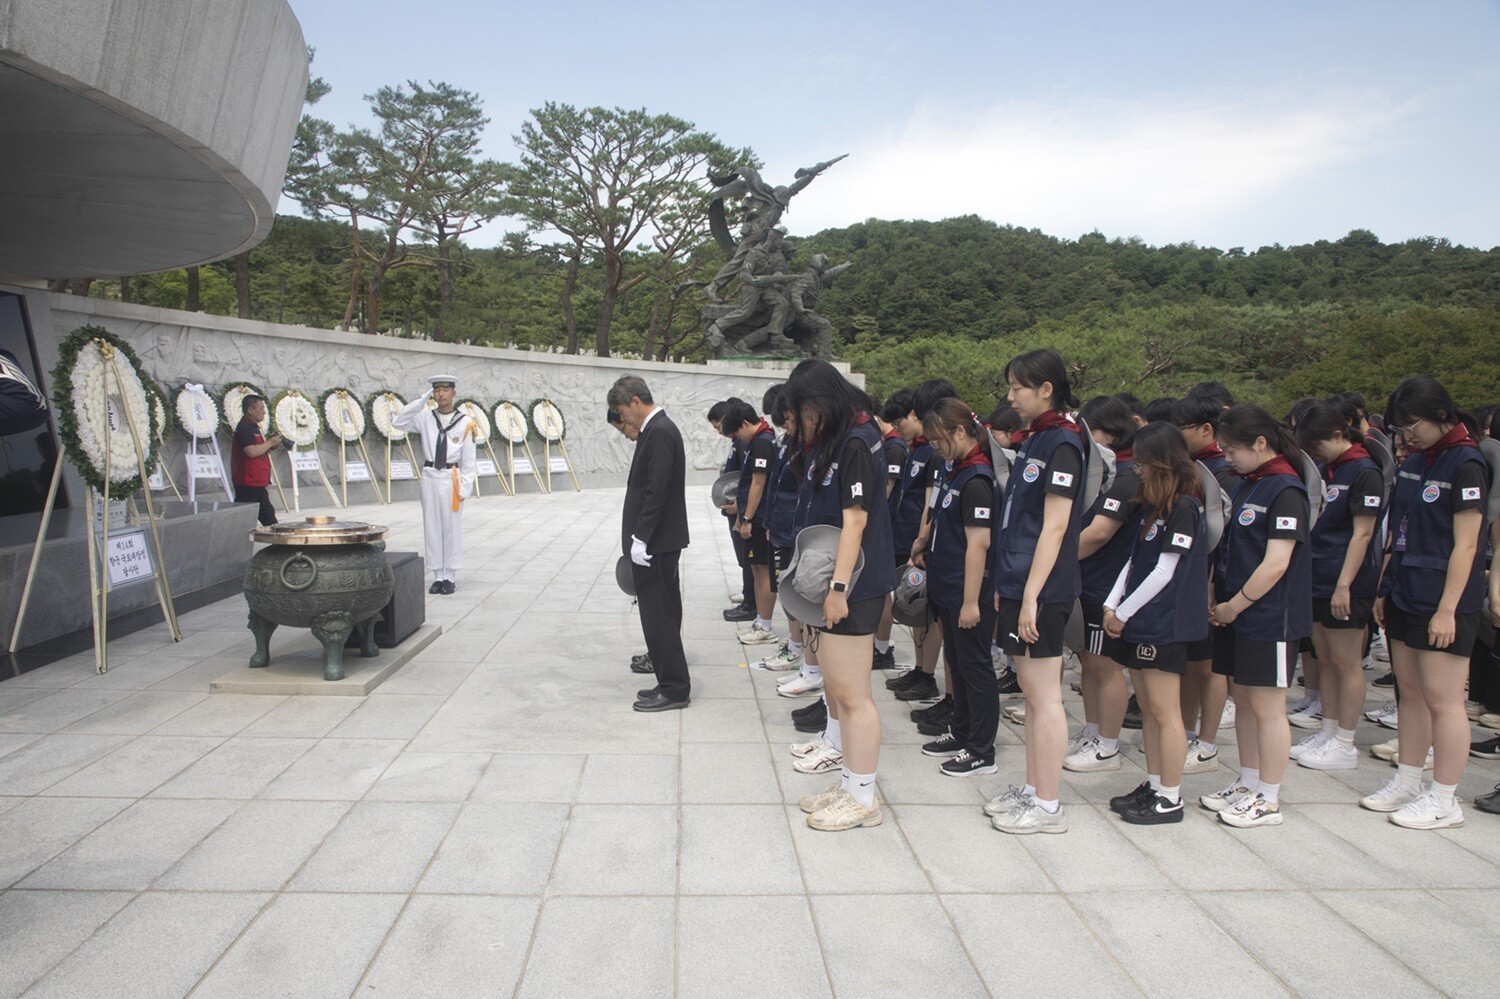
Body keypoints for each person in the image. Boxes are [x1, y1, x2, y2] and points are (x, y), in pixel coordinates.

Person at [1362, 377, 1488, 827]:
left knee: (1444, 699)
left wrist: (1448, 608)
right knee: (1409, 694)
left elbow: (1467, 546)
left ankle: (1445, 797)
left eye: (1411, 424)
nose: (1406, 434)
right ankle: (1408, 780)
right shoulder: (1417, 460)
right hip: (1404, 590)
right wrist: (1384, 588)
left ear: (1440, 415)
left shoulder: (1466, 463)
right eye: (1398, 427)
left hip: (1443, 597)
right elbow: (1399, 530)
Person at [784, 359, 896, 831]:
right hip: (846, 580)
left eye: (803, 413)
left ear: (818, 404)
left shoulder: (855, 442)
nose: (803, 424)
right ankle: (850, 782)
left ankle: (863, 797)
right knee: (839, 690)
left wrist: (837, 588)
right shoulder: (846, 437)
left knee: (853, 696)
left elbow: (856, 520)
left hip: (854, 584)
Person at [986, 349, 1087, 835]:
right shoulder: (1038, 440)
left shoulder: (1063, 442)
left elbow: (1055, 527)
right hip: (1019, 581)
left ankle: (1047, 804)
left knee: (1045, 696)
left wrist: (1031, 596)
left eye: (1018, 387)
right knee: (1030, 691)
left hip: (1041, 590)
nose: (1010, 397)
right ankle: (1031, 788)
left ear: (1046, 388)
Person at [1201, 404, 1312, 828]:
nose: (1226, 458)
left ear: (1261, 443)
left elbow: (1276, 562)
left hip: (1269, 616)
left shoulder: (1285, 489)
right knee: (1244, 700)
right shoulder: (1250, 484)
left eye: (1231, 450)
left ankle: (1269, 795)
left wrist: (1236, 604)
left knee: (1268, 706)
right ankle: (1248, 781)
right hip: (1236, 611)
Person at [1102, 422, 1210, 824]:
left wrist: (1123, 612)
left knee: (1166, 712)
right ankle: (1154, 782)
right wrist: (1112, 605)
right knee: (1148, 708)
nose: (1138, 469)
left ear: (1162, 462)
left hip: (1163, 623)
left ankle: (1170, 796)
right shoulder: (1155, 509)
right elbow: (1134, 564)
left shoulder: (1184, 507)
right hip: (1139, 620)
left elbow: (1165, 571)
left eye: (1144, 462)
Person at [1292, 402, 1384, 772]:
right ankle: (1327, 730)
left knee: (1346, 662)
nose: (1314, 452)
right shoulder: (1330, 470)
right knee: (1324, 658)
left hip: (1346, 580)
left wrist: (1344, 585)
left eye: (1317, 443)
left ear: (1337, 434)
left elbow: (1363, 534)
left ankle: (1345, 741)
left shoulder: (1365, 472)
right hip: (1317, 574)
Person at [913, 398, 1000, 778]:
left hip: (969, 594)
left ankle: (982, 750)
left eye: (938, 440)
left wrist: (970, 603)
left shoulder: (978, 479)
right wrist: (923, 540)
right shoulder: (955, 470)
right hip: (947, 585)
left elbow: (979, 544)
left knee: (976, 669)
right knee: (959, 666)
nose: (936, 447)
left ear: (960, 432)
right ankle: (962, 732)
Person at [1067, 394, 1141, 774]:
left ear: (1110, 432)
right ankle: (1094, 730)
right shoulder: (1108, 473)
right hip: (1089, 581)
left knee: (1105, 666)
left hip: (1106, 585)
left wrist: (1054, 561)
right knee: (1088, 662)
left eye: (1089, 430)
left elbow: (1097, 534)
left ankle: (1108, 743)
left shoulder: (1128, 478)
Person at [610, 375, 692, 712]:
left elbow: (657, 490)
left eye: (622, 412)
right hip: (658, 541)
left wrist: (641, 538)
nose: (624, 421)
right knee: (662, 613)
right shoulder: (657, 430)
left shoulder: (659, 431)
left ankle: (674, 688)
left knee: (658, 615)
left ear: (634, 401)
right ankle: (667, 679)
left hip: (656, 543)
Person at [1175, 391, 1239, 774]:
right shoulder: (1194, 466)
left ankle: (1208, 741)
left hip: (1214, 581)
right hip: (1192, 579)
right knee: (1189, 662)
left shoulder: (1223, 472)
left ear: (1206, 429)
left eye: (1183, 429)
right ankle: (1183, 733)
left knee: (1210, 666)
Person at [392, 375, 476, 595]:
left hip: (452, 477)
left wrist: (465, 489)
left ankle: (450, 575)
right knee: (431, 526)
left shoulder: (465, 422)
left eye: (445, 390)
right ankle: (437, 575)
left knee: (450, 527)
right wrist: (422, 400)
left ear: (453, 393)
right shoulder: (425, 418)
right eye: (437, 390)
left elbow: (469, 461)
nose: (441, 394)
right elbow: (398, 422)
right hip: (430, 475)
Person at [725, 400, 780, 646]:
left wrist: (747, 518)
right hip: (751, 516)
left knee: (763, 571)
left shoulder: (762, 443)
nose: (738, 438)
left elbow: (758, 484)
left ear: (746, 423)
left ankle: (766, 625)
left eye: (738, 432)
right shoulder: (755, 441)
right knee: (757, 570)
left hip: (758, 518)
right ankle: (760, 620)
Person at [231, 394, 282, 527]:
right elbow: (251, 451)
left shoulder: (254, 428)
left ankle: (278, 544)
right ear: (250, 410)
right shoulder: (244, 428)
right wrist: (270, 442)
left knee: (269, 518)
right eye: (261, 407)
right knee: (244, 521)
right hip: (248, 482)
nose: (264, 411)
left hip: (257, 482)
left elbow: (259, 451)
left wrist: (271, 447)